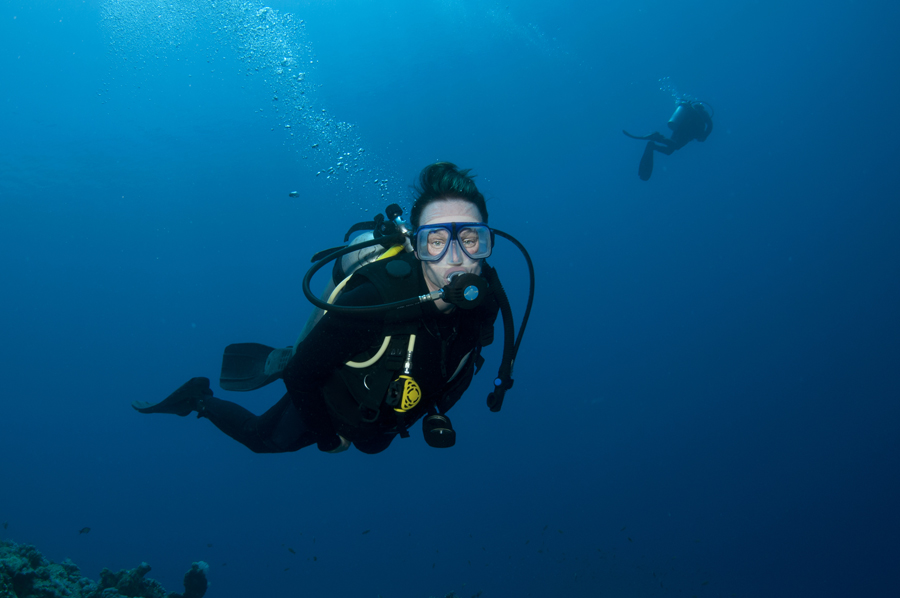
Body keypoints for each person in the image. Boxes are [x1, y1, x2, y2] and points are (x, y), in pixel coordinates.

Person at [133, 162, 531, 455]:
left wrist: (434, 411)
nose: (457, 258)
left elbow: (463, 361)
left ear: (488, 242)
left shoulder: (487, 301)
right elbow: (302, 372)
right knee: (263, 439)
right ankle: (198, 399)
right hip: (331, 394)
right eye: (435, 240)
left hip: (385, 412)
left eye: (472, 239)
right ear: (416, 247)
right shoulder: (375, 300)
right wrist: (327, 435)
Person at [623, 100, 713, 181]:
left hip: (680, 128)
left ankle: (652, 145)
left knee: (670, 150)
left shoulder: (691, 111)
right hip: (686, 132)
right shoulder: (703, 113)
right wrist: (704, 136)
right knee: (675, 146)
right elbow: (710, 124)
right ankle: (657, 137)